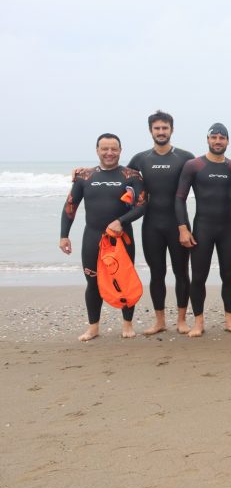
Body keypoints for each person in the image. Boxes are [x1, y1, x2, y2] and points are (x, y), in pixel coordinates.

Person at [60, 134, 147, 341]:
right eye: (105, 149)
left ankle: (127, 325)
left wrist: (122, 221)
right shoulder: (84, 177)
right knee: (93, 282)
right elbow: (70, 206)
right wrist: (64, 235)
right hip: (93, 237)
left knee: (124, 280)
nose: (109, 153)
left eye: (114, 149)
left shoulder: (132, 175)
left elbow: (143, 204)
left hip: (121, 238)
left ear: (120, 150)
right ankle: (93, 327)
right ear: (97, 150)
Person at [120, 112, 194, 335]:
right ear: (150, 131)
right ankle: (160, 320)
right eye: (157, 128)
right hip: (152, 224)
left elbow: (205, 180)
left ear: (172, 129)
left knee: (182, 272)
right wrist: (84, 172)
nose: (161, 132)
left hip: (178, 224)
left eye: (165, 128)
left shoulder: (185, 157)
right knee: (157, 273)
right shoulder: (140, 159)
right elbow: (118, 178)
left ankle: (181, 320)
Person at [176, 123, 231, 337]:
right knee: (198, 277)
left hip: (227, 229)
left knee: (229, 276)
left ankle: (229, 320)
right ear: (207, 140)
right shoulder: (194, 165)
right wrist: (183, 229)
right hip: (202, 228)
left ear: (227, 141)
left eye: (221, 138)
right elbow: (179, 198)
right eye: (214, 137)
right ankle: (198, 322)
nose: (217, 141)